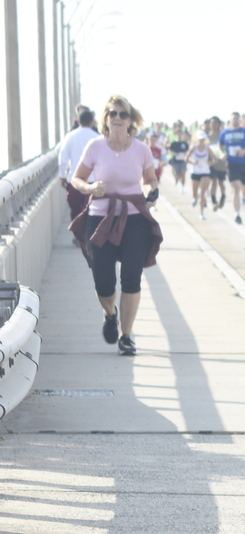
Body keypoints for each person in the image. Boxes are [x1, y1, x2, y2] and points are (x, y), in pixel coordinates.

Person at [68, 94, 164, 358]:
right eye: (113, 114)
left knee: (132, 277)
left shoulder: (141, 150)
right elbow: (76, 178)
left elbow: (150, 180)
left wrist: (151, 192)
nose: (118, 118)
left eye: (123, 114)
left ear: (131, 120)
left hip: (134, 218)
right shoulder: (95, 147)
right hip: (101, 218)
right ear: (105, 119)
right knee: (103, 281)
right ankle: (110, 313)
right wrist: (90, 188)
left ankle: (126, 336)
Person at [58, 106, 99, 226]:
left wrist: (62, 176)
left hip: (74, 181)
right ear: (92, 122)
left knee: (76, 211)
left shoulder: (70, 136)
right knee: (92, 212)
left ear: (79, 122)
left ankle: (78, 235)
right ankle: (89, 236)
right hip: (93, 182)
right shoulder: (97, 137)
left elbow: (63, 158)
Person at [218, 112, 245, 223]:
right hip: (232, 164)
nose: (235, 120)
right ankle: (237, 214)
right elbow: (220, 145)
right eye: (233, 118)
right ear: (230, 120)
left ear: (239, 120)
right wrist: (221, 153)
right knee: (236, 187)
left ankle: (244, 197)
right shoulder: (225, 133)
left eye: (237, 118)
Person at [187, 130, 218, 219]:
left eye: (203, 139)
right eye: (200, 139)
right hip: (195, 172)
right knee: (195, 193)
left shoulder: (207, 149)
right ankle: (195, 198)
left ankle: (201, 213)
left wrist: (210, 163)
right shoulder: (194, 148)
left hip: (205, 172)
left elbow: (215, 160)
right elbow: (186, 158)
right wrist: (193, 162)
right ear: (197, 140)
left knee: (203, 192)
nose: (201, 141)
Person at [205, 116, 228, 210]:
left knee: (221, 182)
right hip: (211, 162)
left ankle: (223, 196)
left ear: (219, 124)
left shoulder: (222, 135)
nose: (213, 124)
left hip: (221, 162)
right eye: (211, 123)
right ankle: (214, 201)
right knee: (213, 181)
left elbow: (227, 147)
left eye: (215, 123)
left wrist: (224, 155)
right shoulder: (207, 136)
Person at [167, 122, 190, 188]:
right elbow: (169, 150)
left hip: (183, 160)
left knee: (183, 173)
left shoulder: (184, 143)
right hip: (176, 160)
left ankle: (183, 187)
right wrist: (174, 153)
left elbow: (188, 150)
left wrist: (186, 153)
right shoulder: (173, 143)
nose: (179, 135)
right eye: (178, 133)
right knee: (177, 174)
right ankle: (176, 179)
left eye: (180, 133)